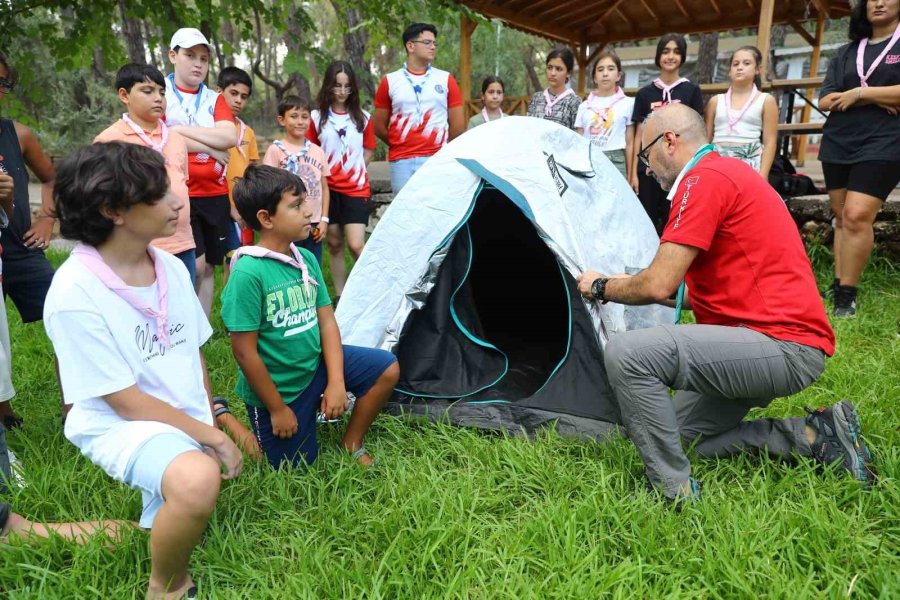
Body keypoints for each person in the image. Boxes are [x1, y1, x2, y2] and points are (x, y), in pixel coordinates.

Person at [576, 104, 873, 505]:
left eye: (645, 156)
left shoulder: (702, 180)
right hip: (763, 340)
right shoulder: (723, 174)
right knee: (675, 437)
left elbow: (659, 282)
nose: (646, 169)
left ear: (669, 141)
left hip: (781, 345)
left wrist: (601, 286)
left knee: (628, 354)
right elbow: (678, 290)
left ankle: (671, 492)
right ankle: (812, 434)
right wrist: (629, 283)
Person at [44, 142, 244, 598]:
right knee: (195, 482)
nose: (178, 202)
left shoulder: (171, 268)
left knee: (157, 523)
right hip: (119, 422)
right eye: (160, 194)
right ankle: (168, 586)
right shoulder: (75, 291)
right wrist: (213, 439)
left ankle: (36, 531)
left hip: (176, 417)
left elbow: (192, 356)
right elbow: (125, 402)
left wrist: (207, 422)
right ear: (113, 209)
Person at [221, 165, 399, 469]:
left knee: (386, 368)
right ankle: (221, 415)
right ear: (266, 218)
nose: (308, 211)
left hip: (314, 366)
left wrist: (336, 382)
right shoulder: (249, 272)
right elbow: (244, 352)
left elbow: (327, 323)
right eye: (296, 205)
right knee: (290, 469)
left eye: (306, 202)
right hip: (279, 390)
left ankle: (351, 441)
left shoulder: (304, 259)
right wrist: (277, 409)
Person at [817, 0, 900, 317]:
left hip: (885, 140)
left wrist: (860, 94)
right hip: (840, 139)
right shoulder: (847, 52)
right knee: (841, 217)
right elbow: (826, 98)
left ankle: (846, 299)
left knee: (855, 215)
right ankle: (839, 284)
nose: (878, 3)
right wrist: (882, 96)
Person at [94, 63, 196, 283]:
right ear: (124, 95)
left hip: (182, 243)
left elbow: (182, 183)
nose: (158, 98)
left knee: (182, 309)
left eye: (162, 92)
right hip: (138, 248)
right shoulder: (109, 141)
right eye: (147, 91)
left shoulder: (176, 139)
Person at [0, 51, 57, 429]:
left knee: (66, 313)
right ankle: (3, 412)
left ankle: (81, 405)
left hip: (20, 246)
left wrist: (48, 217)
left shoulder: (17, 134)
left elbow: (52, 178)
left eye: (2, 82)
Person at [164, 27, 238, 316]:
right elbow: (160, 138)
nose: (198, 64)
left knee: (209, 266)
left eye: (204, 59)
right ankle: (181, 320)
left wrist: (177, 131)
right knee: (192, 264)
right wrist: (209, 144)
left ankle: (201, 330)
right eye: (190, 56)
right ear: (173, 55)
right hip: (179, 192)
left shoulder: (214, 98)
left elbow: (229, 138)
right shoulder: (161, 92)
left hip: (215, 193)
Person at [308, 61, 376, 296]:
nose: (342, 91)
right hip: (327, 189)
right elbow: (311, 150)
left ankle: (369, 292)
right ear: (328, 86)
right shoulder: (317, 118)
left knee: (356, 244)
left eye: (347, 86)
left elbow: (368, 149)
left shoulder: (363, 118)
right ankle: (341, 295)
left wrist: (354, 169)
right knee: (334, 244)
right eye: (337, 85)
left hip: (356, 189)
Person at [373, 23, 465, 194]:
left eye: (434, 43)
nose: (433, 47)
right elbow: (378, 126)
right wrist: (399, 143)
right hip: (401, 161)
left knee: (435, 212)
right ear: (411, 46)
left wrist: (439, 148)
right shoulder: (390, 81)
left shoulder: (445, 79)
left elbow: (458, 125)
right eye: (427, 42)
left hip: (436, 159)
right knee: (404, 215)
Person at [630, 34, 704, 236]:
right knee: (646, 219)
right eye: (665, 51)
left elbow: (698, 130)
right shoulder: (645, 93)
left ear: (683, 57)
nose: (670, 56)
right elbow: (638, 134)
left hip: (680, 168)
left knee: (677, 219)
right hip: (650, 168)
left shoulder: (691, 91)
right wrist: (636, 171)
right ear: (658, 56)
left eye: (676, 52)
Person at [263, 95, 331, 264]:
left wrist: (324, 219)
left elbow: (324, 188)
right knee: (287, 264)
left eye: (305, 117)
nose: (300, 121)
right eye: (294, 116)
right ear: (282, 120)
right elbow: (269, 188)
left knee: (313, 264)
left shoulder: (317, 151)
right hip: (287, 220)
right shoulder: (276, 150)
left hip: (312, 220)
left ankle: (312, 291)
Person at [704, 46, 778, 179]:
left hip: (750, 166)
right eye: (735, 64)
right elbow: (706, 139)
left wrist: (763, 174)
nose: (740, 67)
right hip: (717, 166)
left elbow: (770, 141)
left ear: (758, 69)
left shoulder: (766, 100)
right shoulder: (715, 101)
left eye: (747, 63)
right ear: (729, 71)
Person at [216, 66, 260, 284]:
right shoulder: (210, 128)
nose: (238, 101)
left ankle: (244, 299)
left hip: (244, 204)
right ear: (218, 92)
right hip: (221, 203)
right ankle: (228, 304)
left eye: (244, 97)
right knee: (229, 258)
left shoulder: (247, 132)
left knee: (245, 256)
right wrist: (229, 206)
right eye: (233, 94)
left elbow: (253, 167)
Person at [574, 51, 635, 179]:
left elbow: (630, 143)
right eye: (600, 69)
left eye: (611, 69)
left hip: (616, 161)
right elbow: (578, 141)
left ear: (618, 76)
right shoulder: (584, 106)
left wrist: (630, 175)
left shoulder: (628, 103)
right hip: (588, 160)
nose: (605, 73)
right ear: (595, 77)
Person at [526, 47, 582, 130]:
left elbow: (576, 136)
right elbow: (528, 128)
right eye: (549, 67)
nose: (552, 73)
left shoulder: (574, 102)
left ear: (568, 73)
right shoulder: (537, 98)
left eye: (558, 69)